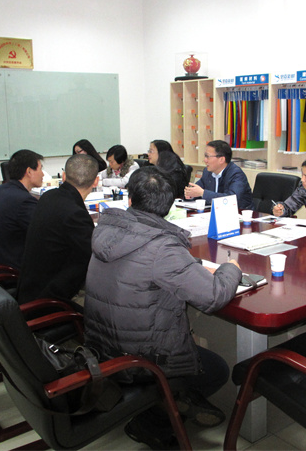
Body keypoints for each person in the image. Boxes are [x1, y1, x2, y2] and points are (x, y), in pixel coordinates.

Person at [84, 167, 242, 449]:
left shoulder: (107, 229)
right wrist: (231, 269)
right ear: (169, 208)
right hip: (140, 361)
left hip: (100, 346)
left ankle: (176, 401)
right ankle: (153, 419)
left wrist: (188, 266)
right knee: (217, 369)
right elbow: (214, 296)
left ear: (130, 200)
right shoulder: (162, 247)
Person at [17, 155, 99, 306]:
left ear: (64, 176)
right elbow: (95, 256)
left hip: (30, 288)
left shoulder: (48, 196)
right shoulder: (75, 213)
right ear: (96, 181)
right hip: (49, 301)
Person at [0, 149, 44, 269]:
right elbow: (44, 233)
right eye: (40, 169)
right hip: (12, 268)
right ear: (29, 171)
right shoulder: (24, 201)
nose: (42, 174)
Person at [184, 140, 254, 210]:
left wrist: (202, 193)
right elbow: (198, 189)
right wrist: (190, 194)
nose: (205, 160)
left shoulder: (236, 174)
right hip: (214, 212)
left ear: (221, 160)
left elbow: (231, 199)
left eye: (208, 156)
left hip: (239, 213)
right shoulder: (207, 172)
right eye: (205, 156)